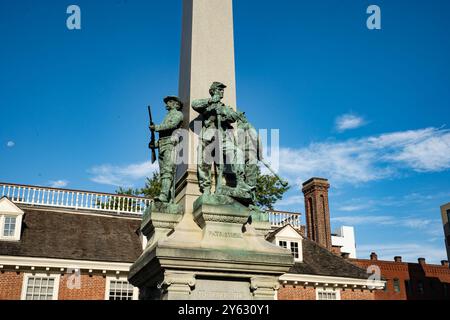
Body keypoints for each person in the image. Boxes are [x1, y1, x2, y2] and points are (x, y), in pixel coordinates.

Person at [192, 82, 251, 195]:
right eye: (219, 89)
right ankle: (206, 187)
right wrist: (211, 101)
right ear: (213, 91)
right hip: (208, 136)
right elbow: (194, 104)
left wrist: (226, 114)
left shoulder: (224, 107)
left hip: (222, 136)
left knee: (237, 152)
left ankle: (240, 181)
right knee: (204, 162)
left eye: (222, 90)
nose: (222, 91)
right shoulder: (207, 105)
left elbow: (233, 117)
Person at [150, 96, 184, 203]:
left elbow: (172, 125)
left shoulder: (178, 114)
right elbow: (164, 135)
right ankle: (167, 195)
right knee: (163, 173)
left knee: (167, 171)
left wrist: (156, 127)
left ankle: (164, 195)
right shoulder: (167, 115)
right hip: (162, 146)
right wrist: (154, 144)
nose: (167, 103)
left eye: (169, 101)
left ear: (175, 104)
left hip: (170, 145)